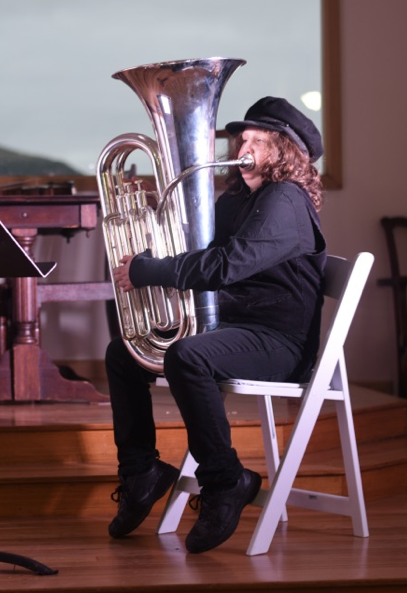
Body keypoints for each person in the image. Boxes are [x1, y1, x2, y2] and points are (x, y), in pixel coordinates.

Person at [105, 96, 327, 553]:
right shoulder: (239, 200)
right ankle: (141, 471)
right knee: (122, 353)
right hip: (237, 328)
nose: (241, 147)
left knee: (189, 355)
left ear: (283, 151)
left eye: (256, 141)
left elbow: (226, 266)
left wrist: (150, 271)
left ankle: (225, 481)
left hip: (279, 342)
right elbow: (199, 251)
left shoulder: (285, 199)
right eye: (240, 138)